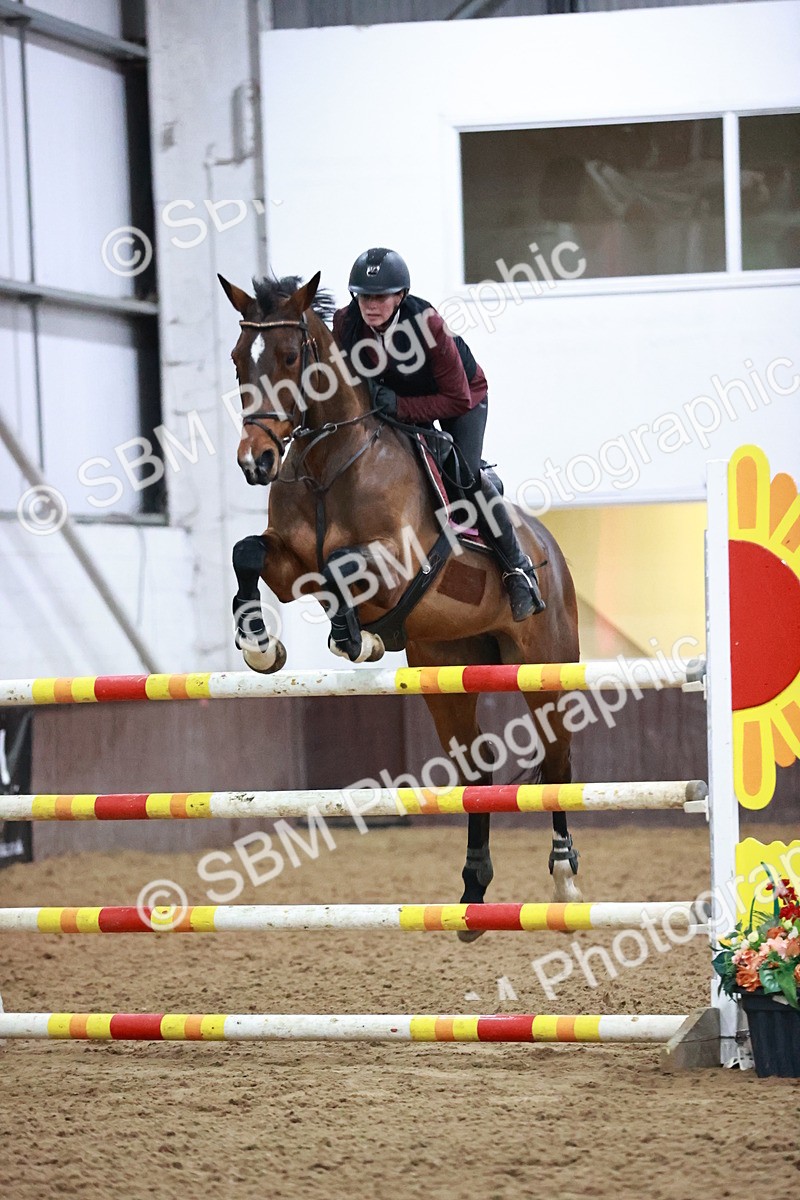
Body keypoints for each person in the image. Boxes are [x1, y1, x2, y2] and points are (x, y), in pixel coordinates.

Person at [332, 246, 545, 621]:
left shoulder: (427, 324)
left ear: (401, 296)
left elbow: (457, 398)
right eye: (364, 296)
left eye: (380, 296)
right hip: (395, 400)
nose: (370, 305)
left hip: (461, 397)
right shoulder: (345, 322)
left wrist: (398, 405)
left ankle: (517, 569)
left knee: (462, 475)